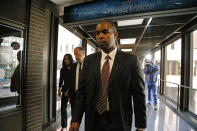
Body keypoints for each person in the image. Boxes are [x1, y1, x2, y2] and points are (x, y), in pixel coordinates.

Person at [69, 20, 146, 131]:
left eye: (105, 32)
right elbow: (82, 93)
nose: (100, 36)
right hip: (93, 121)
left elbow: (139, 96)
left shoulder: (130, 61)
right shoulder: (89, 61)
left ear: (115, 34)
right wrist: (76, 119)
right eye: (98, 33)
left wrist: (141, 126)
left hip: (119, 121)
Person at [58, 54, 74, 131]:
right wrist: (59, 89)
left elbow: (74, 81)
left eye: (67, 58)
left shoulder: (74, 68)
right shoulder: (62, 69)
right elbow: (61, 80)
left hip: (73, 91)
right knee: (63, 109)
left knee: (74, 109)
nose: (66, 60)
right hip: (64, 91)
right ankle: (64, 126)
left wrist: (70, 92)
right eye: (64, 59)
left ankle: (73, 125)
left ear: (70, 59)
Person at [69, 47, 85, 117]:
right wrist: (70, 96)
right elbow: (70, 82)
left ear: (83, 54)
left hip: (86, 96)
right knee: (74, 117)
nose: (76, 56)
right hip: (74, 96)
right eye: (74, 54)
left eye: (78, 54)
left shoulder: (90, 65)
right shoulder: (73, 66)